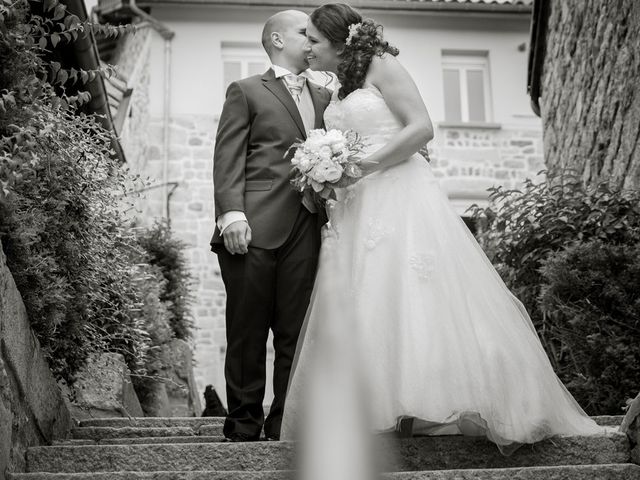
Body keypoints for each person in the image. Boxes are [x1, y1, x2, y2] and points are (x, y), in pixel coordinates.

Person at [281, 3, 606, 454]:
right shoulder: (341, 87)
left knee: (414, 294)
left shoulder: (383, 65)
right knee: (370, 301)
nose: (308, 48)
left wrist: (359, 165)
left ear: (338, 41)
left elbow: (421, 128)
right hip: (359, 206)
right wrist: (330, 171)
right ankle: (379, 411)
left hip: (398, 193)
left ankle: (434, 405)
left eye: (314, 40)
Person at [211, 9, 332, 442]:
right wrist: (232, 216)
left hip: (307, 226)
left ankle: (284, 421)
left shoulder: (326, 98)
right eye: (305, 33)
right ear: (278, 40)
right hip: (253, 226)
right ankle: (243, 422)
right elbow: (228, 156)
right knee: (246, 328)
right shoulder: (245, 90)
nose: (313, 41)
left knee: (295, 331)